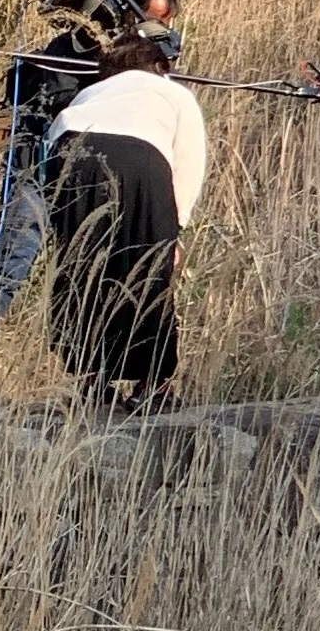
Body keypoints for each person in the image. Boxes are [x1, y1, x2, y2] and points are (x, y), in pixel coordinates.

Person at [0, 0, 183, 318]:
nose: (158, 31)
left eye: (165, 23)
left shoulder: (143, 65)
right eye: (154, 19)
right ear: (133, 11)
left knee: (94, 268)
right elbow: (46, 89)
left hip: (90, 174)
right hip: (37, 163)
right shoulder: (88, 37)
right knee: (15, 258)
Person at [45, 35, 207, 407]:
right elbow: (188, 165)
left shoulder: (92, 92)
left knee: (83, 270)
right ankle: (154, 385)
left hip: (73, 150)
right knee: (148, 271)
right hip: (140, 155)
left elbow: (50, 152)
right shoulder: (174, 93)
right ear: (159, 67)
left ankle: (91, 379)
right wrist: (173, 232)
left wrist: (61, 221)